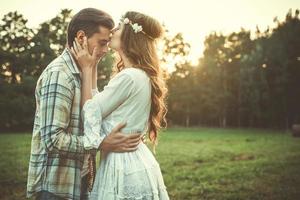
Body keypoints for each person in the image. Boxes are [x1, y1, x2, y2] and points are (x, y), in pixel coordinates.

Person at [27, 8, 143, 200]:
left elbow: (92, 116)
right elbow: (53, 140)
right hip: (55, 187)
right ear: (81, 37)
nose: (106, 50)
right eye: (102, 43)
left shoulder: (82, 71)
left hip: (78, 179)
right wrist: (101, 143)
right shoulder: (60, 74)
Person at [71, 11, 170, 199]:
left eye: (119, 27)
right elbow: (98, 102)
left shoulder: (129, 76)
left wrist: (85, 68)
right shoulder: (139, 75)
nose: (113, 31)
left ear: (129, 36)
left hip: (122, 164)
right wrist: (93, 65)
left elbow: (90, 111)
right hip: (135, 159)